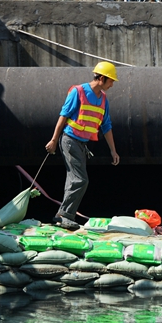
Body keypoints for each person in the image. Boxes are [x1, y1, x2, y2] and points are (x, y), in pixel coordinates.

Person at [45, 61, 121, 230]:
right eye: (111, 81)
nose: (112, 85)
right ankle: (64, 215)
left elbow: (106, 125)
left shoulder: (103, 99)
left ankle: (63, 216)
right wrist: (54, 140)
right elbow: (63, 116)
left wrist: (113, 151)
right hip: (70, 140)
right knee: (80, 180)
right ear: (101, 78)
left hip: (82, 144)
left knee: (73, 179)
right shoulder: (78, 92)